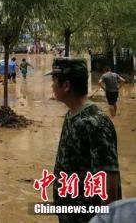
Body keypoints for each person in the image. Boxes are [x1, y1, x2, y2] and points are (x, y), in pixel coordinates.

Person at [48, 58, 121, 223]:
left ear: (66, 86)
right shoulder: (72, 114)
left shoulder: (95, 122)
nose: (51, 85)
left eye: (54, 80)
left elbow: (109, 177)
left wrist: (104, 220)